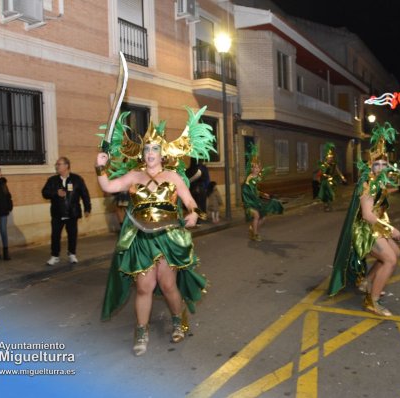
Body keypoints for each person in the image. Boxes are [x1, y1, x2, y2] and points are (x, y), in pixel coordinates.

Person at [97, 106, 213, 356]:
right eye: (147, 149)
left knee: (168, 284)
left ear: (162, 154)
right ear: (143, 153)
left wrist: (193, 213)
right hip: (141, 238)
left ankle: (177, 319)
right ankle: (141, 330)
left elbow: (189, 201)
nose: (150, 152)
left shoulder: (173, 176)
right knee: (143, 287)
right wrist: (100, 167)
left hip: (168, 237)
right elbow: (107, 186)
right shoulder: (133, 176)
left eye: (154, 149)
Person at [328, 123, 400, 316]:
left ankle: (368, 282)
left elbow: (379, 207)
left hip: (376, 227)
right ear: (370, 164)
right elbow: (368, 215)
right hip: (365, 230)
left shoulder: (380, 182)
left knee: (395, 253)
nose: (380, 167)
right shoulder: (367, 184)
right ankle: (372, 301)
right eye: (376, 163)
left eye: (383, 163)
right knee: (390, 259)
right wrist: (391, 229)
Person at [41, 157, 91, 266]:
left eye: (59, 164)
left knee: (72, 235)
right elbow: (44, 193)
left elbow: (85, 194)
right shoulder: (52, 180)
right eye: (56, 164)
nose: (57, 166)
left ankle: (72, 254)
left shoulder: (77, 179)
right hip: (57, 213)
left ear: (66, 166)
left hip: (72, 212)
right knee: (55, 235)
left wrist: (87, 208)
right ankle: (55, 256)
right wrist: (55, 193)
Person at [241, 143, 284, 241]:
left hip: (256, 202)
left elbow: (255, 190)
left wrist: (263, 194)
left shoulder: (256, 178)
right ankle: (255, 234)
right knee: (256, 215)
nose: (256, 169)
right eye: (254, 168)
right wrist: (258, 195)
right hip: (249, 203)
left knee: (264, 217)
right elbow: (249, 192)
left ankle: (253, 229)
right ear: (251, 169)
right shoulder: (249, 179)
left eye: (258, 168)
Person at [317, 143, 347, 211]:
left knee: (331, 193)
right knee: (325, 193)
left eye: (331, 158)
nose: (330, 159)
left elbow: (338, 171)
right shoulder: (324, 165)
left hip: (331, 181)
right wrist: (321, 178)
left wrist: (342, 177)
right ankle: (326, 205)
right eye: (329, 158)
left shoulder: (334, 165)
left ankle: (328, 205)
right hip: (325, 181)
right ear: (327, 158)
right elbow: (321, 173)